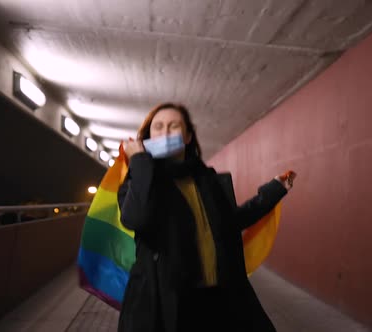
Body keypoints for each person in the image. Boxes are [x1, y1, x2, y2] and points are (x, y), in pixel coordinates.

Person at [118, 102, 296, 332]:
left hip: (217, 300)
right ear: (147, 137)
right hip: (168, 306)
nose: (165, 133)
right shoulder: (139, 183)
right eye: (158, 127)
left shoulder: (207, 180)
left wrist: (274, 190)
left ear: (188, 136)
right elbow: (136, 219)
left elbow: (232, 221)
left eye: (174, 126)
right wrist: (140, 162)